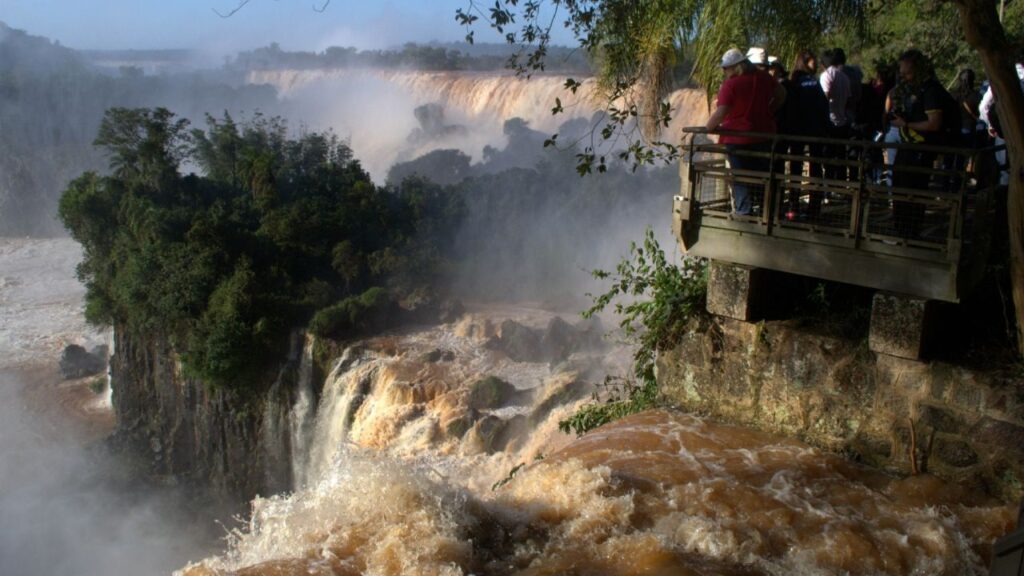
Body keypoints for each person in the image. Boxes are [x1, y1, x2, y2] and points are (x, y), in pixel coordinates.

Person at [706, 47, 787, 215]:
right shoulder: (764, 78)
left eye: (726, 67)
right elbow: (782, 93)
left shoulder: (731, 85)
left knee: (740, 178)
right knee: (763, 175)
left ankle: (744, 212)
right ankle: (767, 212)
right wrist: (770, 110)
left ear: (736, 66)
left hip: (738, 140)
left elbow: (721, 112)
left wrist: (709, 127)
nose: (724, 71)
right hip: (764, 135)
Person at [888, 49, 959, 238]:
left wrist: (907, 124)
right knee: (900, 189)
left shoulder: (931, 91)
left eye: (908, 73)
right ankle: (902, 231)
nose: (905, 78)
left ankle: (908, 233)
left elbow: (934, 123)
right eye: (902, 74)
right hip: (909, 146)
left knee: (911, 192)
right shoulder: (915, 90)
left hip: (920, 150)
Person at [781, 50, 829, 217]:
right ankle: (814, 208)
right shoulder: (812, 82)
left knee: (796, 167)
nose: (815, 64)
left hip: (797, 130)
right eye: (812, 61)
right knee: (815, 167)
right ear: (805, 62)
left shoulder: (794, 81)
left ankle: (793, 207)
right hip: (814, 130)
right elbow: (823, 105)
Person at [820, 48, 853, 181]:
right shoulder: (844, 77)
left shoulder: (826, 75)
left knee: (829, 157)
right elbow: (849, 98)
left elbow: (825, 95)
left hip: (830, 120)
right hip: (842, 120)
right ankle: (840, 185)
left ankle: (829, 186)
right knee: (841, 155)